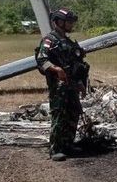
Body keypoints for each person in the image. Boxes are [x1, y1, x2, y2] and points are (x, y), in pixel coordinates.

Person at [35, 8, 90, 162]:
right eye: (68, 22)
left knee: (73, 113)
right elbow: (41, 60)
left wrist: (80, 83)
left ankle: (68, 145)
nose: (71, 24)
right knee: (60, 115)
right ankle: (55, 149)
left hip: (72, 84)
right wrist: (56, 69)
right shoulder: (49, 41)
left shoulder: (69, 42)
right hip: (59, 86)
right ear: (59, 22)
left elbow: (76, 64)